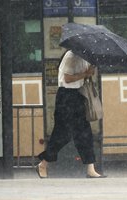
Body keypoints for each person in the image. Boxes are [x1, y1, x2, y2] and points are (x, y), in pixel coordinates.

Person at [36, 50, 106, 178]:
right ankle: (43, 164)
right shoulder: (71, 56)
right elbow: (67, 78)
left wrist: (90, 71)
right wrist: (85, 74)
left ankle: (91, 168)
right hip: (66, 97)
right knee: (62, 134)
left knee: (85, 132)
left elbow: (84, 76)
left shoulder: (85, 57)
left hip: (78, 95)